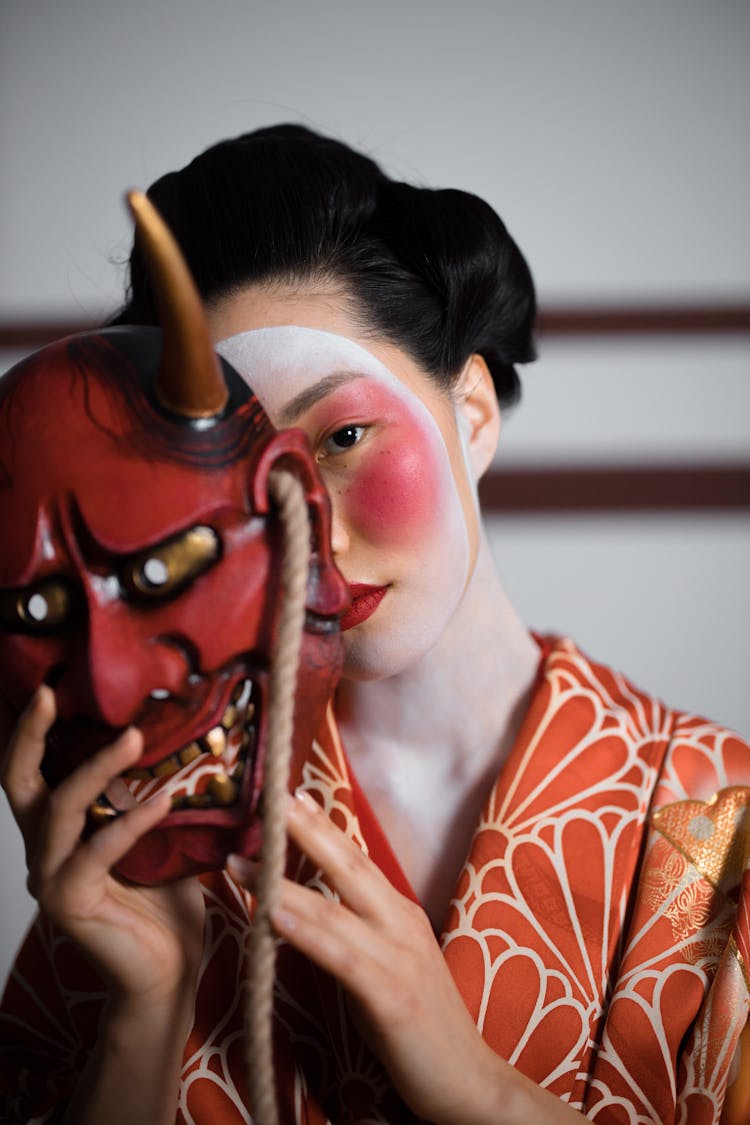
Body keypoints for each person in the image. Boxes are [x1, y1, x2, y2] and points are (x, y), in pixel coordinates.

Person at [1, 123, 748, 1124]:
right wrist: (147, 1008)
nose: (304, 531)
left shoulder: (722, 824)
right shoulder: (152, 830)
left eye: (345, 436)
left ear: (472, 413)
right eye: (243, 481)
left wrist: (477, 1086)